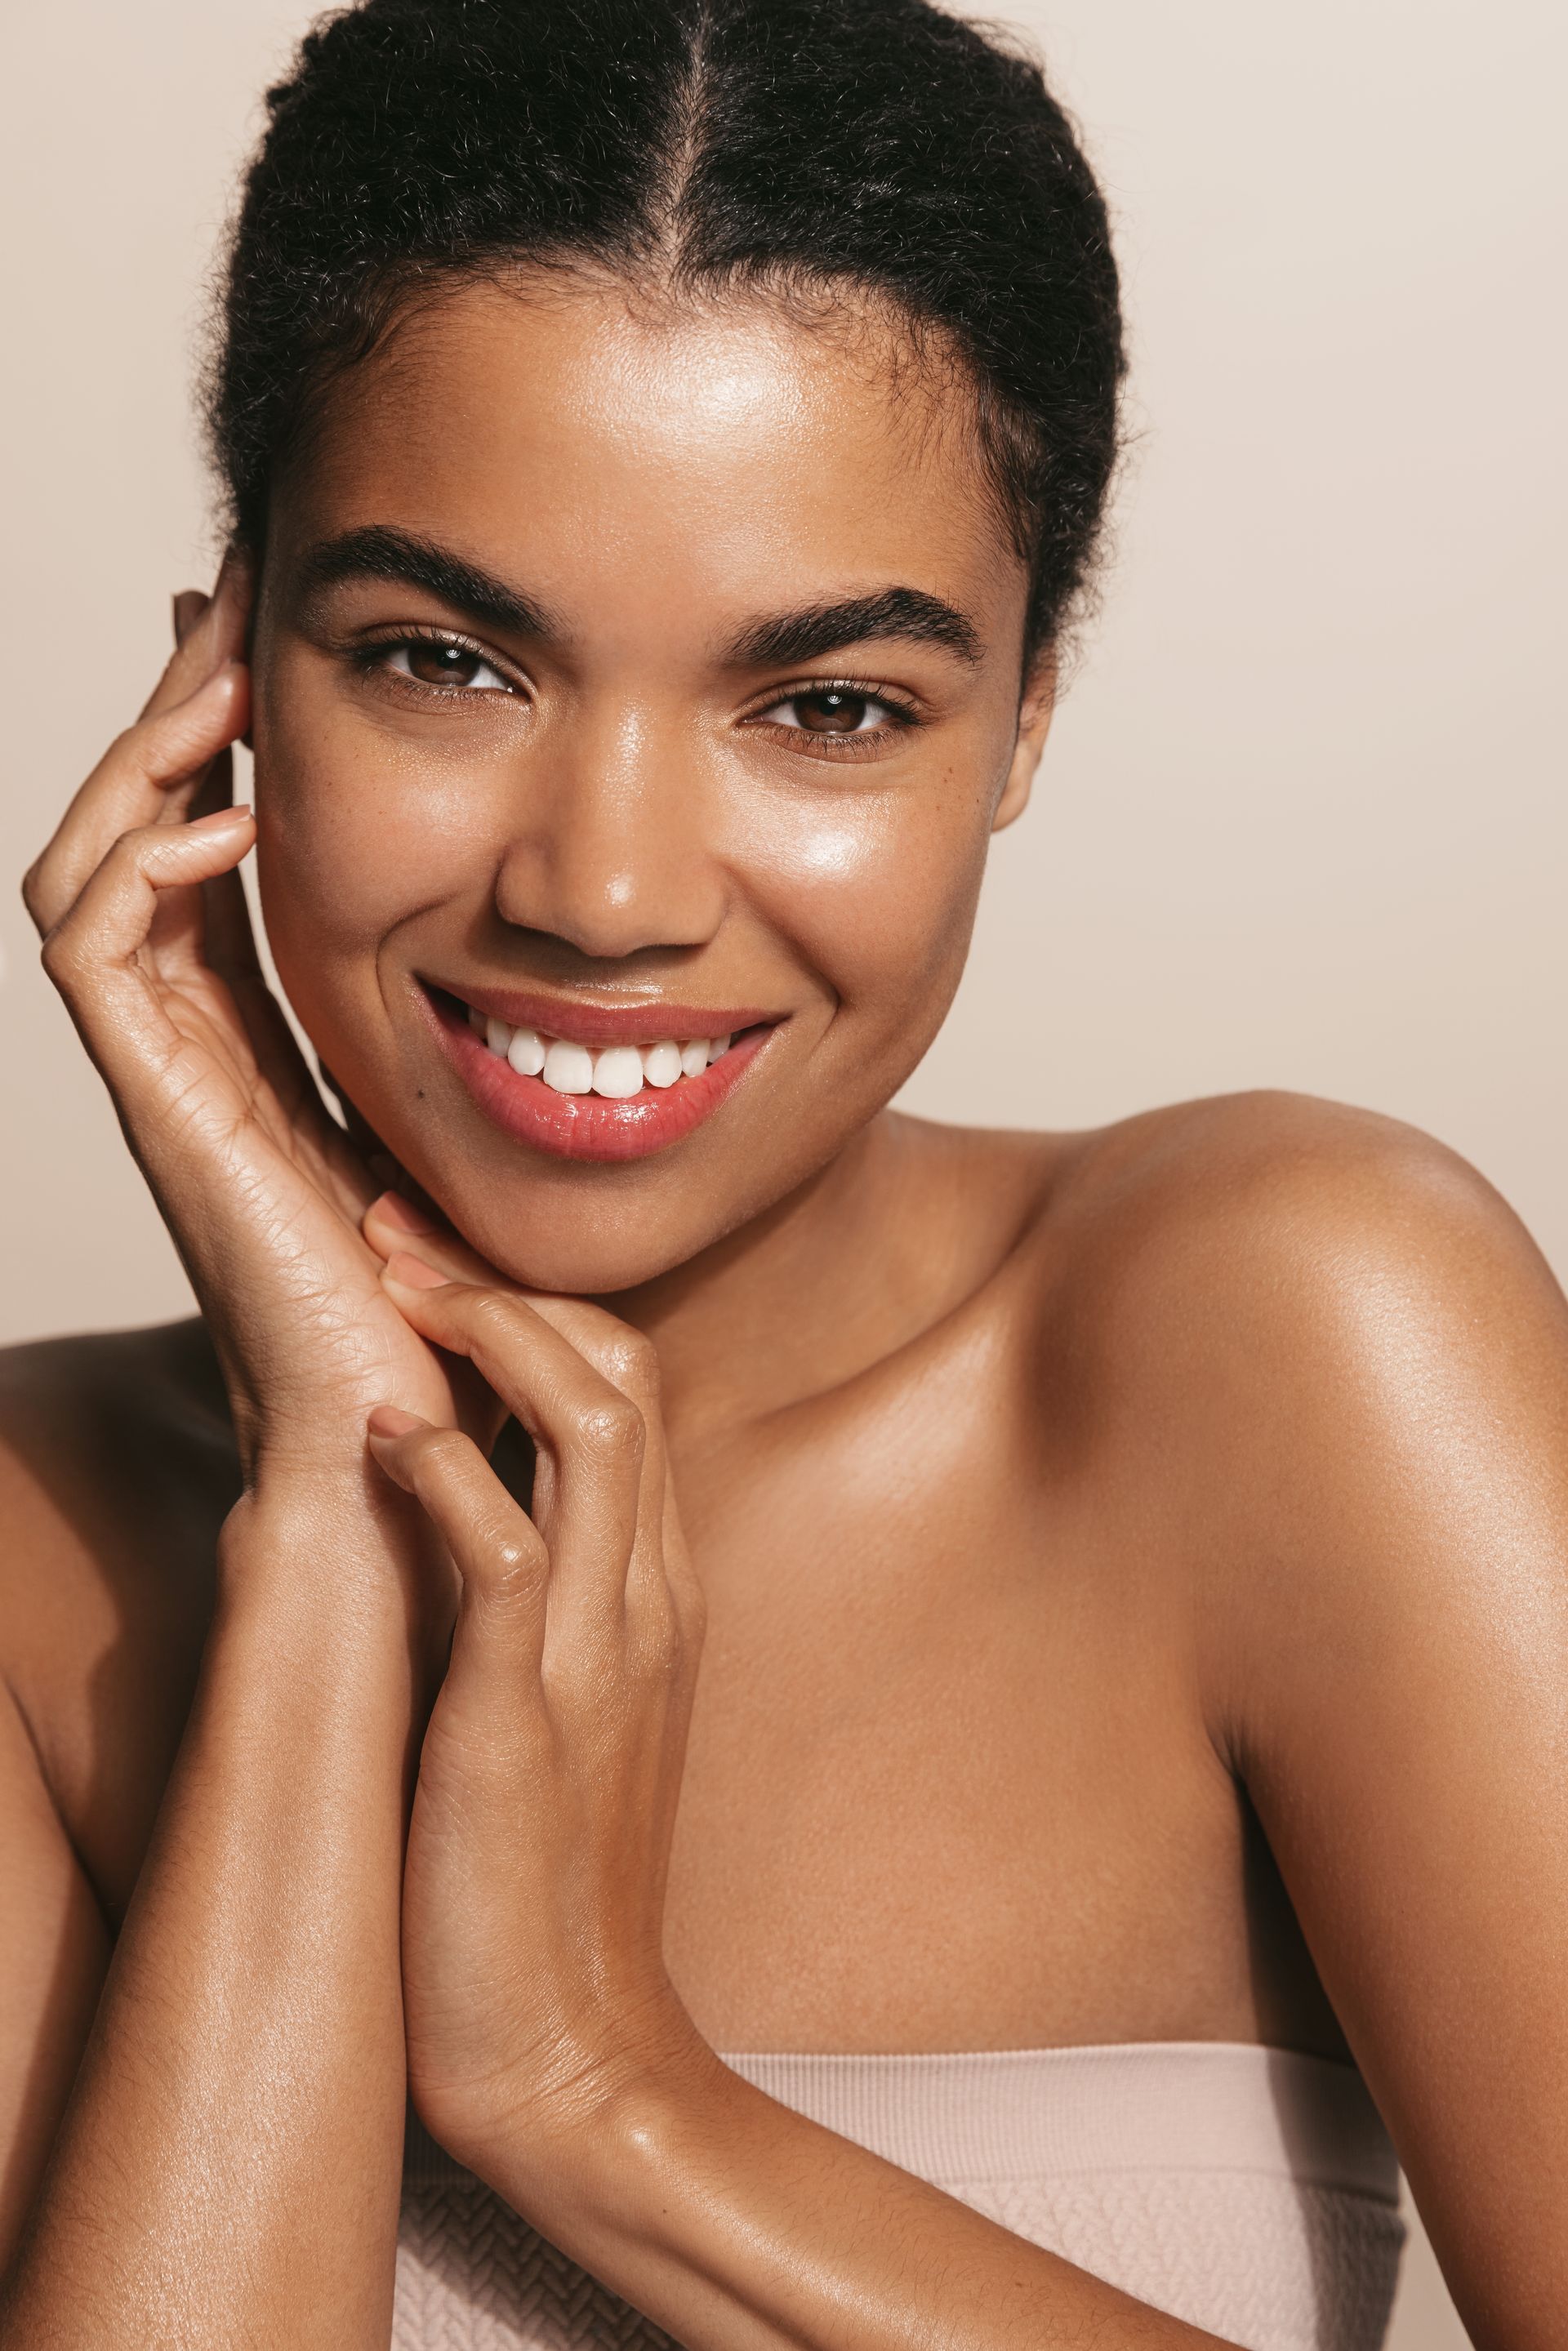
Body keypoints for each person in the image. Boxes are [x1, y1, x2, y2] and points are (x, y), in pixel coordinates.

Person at [1, 0, 1563, 2344]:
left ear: (1023, 717)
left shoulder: (1290, 1353)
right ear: (225, 666)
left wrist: (609, 2097)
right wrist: (333, 1522)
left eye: (825, 705)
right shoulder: (34, 1584)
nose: (609, 891)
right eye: (444, 660)